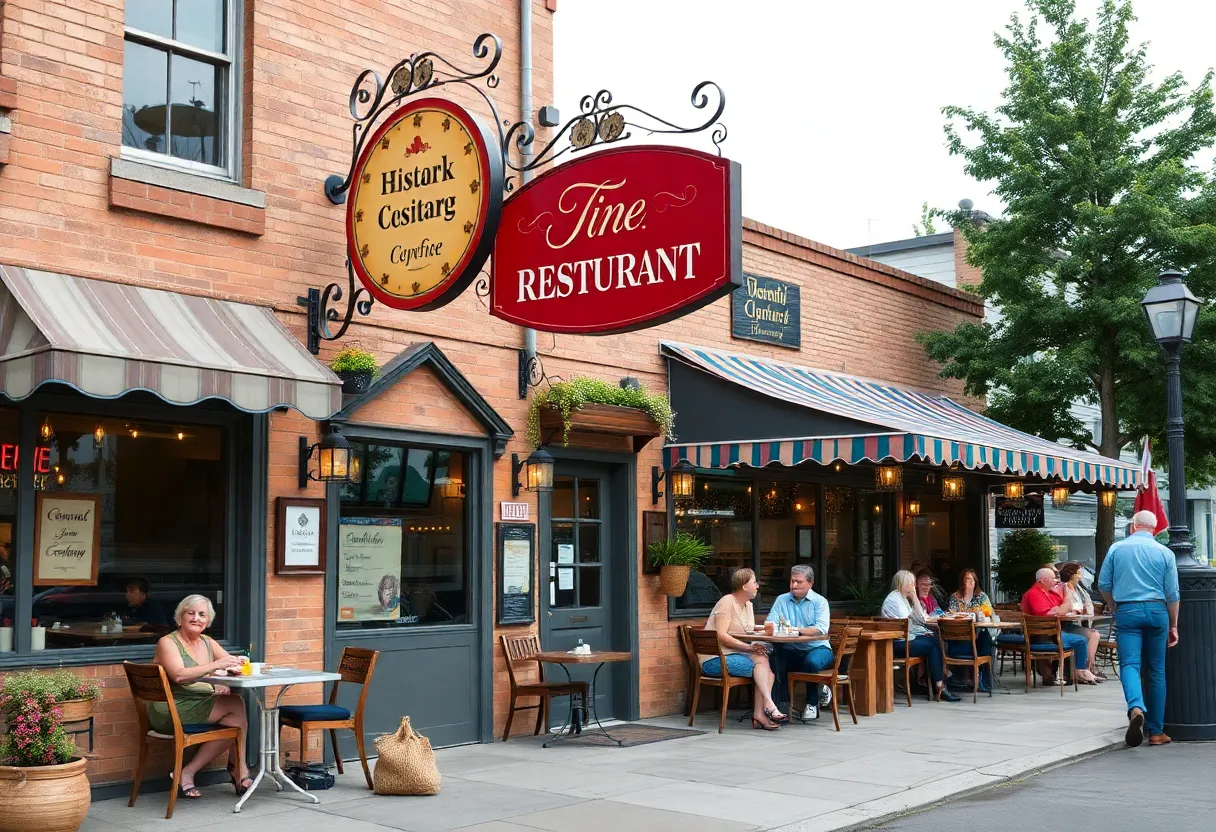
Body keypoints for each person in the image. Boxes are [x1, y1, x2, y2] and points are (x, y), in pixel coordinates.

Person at [151, 595, 252, 798]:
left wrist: (233, 668)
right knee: (235, 706)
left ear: (208, 621)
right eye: (191, 613)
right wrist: (215, 667)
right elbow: (179, 675)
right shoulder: (168, 642)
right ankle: (239, 770)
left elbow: (229, 662)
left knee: (235, 718)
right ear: (180, 616)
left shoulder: (207, 642)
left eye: (202, 615)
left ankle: (188, 772)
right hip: (169, 709)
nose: (196, 618)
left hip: (196, 703)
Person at [1097, 509, 1180, 748]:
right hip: (1157, 610)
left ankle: (1135, 707)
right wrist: (1174, 624)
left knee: (1130, 665)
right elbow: (1172, 593)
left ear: (1133, 525)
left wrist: (1113, 604)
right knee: (1156, 670)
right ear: (1155, 528)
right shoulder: (1165, 552)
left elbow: (1103, 584)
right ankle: (1156, 732)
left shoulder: (1116, 549)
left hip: (1127, 610)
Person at [701, 568, 786, 730]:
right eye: (754, 582)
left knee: (763, 659)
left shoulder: (748, 605)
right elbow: (721, 635)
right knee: (761, 668)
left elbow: (747, 629)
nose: (757, 586)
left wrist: (762, 632)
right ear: (744, 586)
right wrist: (749, 648)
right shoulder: (727, 602)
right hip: (714, 659)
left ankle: (761, 712)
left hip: (735, 654)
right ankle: (766, 707)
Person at [766, 565, 834, 721]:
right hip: (792, 648)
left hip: (818, 648)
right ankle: (782, 704)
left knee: (811, 662)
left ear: (810, 583)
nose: (794, 585)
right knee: (775, 659)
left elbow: (821, 629)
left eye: (799, 582)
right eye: (792, 581)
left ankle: (812, 703)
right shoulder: (781, 600)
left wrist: (795, 630)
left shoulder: (820, 602)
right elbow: (771, 622)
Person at [881, 570, 961, 702]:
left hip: (905, 638)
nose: (914, 586)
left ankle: (936, 684)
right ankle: (939, 686)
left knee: (934, 640)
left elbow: (920, 618)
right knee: (933, 644)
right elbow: (909, 624)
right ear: (903, 583)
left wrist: (914, 598)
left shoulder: (903, 599)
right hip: (897, 642)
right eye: (911, 583)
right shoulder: (895, 600)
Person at [1020, 568, 1100, 684]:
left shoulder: (1050, 593)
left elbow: (1063, 608)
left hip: (1053, 631)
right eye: (1053, 578)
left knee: (1081, 637)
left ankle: (1077, 672)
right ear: (1043, 580)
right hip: (1044, 635)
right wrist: (1065, 602)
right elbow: (1052, 613)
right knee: (1080, 640)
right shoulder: (1034, 594)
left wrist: (1063, 606)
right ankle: (1080, 672)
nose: (1056, 581)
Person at [946, 569, 995, 691]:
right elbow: (952, 615)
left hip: (978, 636)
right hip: (959, 637)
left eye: (973, 579)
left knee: (985, 637)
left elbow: (989, 612)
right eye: (968, 579)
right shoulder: (955, 597)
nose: (971, 582)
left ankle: (982, 679)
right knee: (982, 641)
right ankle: (970, 678)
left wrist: (982, 614)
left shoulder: (981, 596)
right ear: (962, 581)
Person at [1058, 562, 1104, 681]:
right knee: (1092, 635)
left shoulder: (1080, 590)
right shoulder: (1062, 588)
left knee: (1094, 634)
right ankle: (1084, 670)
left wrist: (1084, 610)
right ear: (1072, 575)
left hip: (1074, 623)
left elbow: (1087, 606)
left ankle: (1087, 668)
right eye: (1079, 573)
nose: (1081, 576)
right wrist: (1074, 611)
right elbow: (1062, 607)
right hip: (1063, 625)